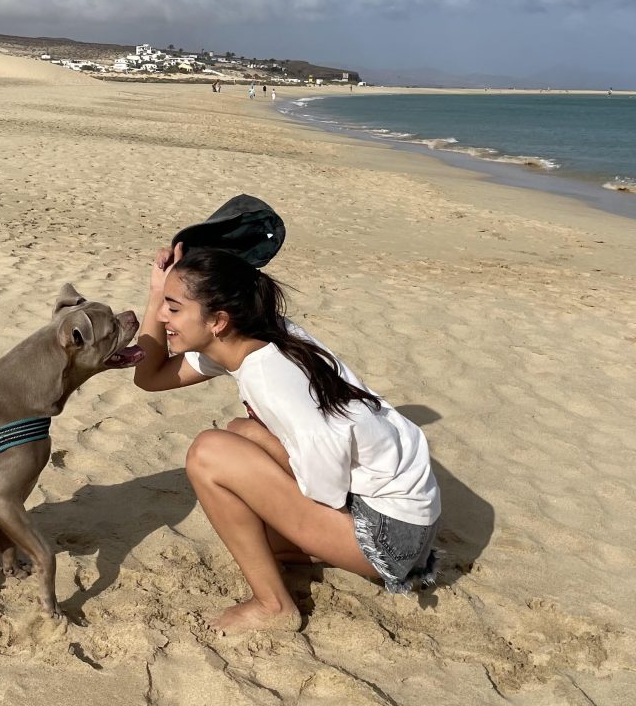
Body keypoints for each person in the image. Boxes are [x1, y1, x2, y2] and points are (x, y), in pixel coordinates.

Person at [135, 244, 440, 633]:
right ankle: (289, 550)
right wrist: (155, 293)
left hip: (388, 538)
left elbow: (327, 489)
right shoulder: (252, 335)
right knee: (240, 433)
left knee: (209, 454)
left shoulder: (272, 379)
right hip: (407, 519)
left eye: (173, 308)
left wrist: (270, 474)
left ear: (218, 321)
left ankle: (274, 605)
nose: (163, 317)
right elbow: (148, 377)